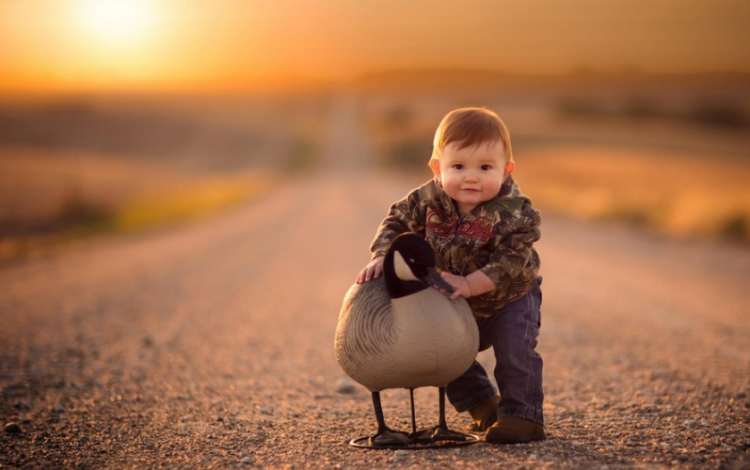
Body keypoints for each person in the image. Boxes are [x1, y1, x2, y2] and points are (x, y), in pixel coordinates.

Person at [356, 107, 545, 444]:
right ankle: (484, 406)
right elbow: (396, 223)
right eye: (458, 166)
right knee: (444, 352)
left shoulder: (515, 211)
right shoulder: (426, 200)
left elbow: (513, 258)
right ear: (437, 168)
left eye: (485, 167)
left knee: (515, 353)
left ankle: (522, 414)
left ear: (506, 171)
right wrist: (383, 254)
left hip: (509, 299)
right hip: (453, 296)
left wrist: (472, 283)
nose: (471, 177)